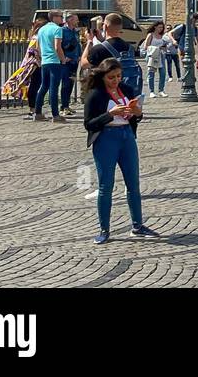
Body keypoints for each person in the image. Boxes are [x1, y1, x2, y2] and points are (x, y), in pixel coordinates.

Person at [83, 57, 159, 244]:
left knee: (133, 183)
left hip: (126, 137)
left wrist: (137, 113)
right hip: (106, 139)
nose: (115, 80)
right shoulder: (96, 94)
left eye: (118, 76)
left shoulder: (126, 89)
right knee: (106, 185)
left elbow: (134, 116)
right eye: (111, 77)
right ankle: (104, 229)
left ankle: (137, 225)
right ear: (103, 76)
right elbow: (89, 124)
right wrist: (110, 114)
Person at [34, 10, 69, 123]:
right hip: (55, 61)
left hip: (45, 61)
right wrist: (63, 59)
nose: (62, 19)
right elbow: (57, 47)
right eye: (60, 16)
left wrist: (41, 58)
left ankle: (37, 113)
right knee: (54, 88)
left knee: (43, 87)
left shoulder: (41, 29)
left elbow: (38, 48)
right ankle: (55, 115)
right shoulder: (57, 29)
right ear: (54, 17)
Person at [59, 13, 82, 114]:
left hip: (74, 60)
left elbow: (78, 44)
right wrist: (63, 57)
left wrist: (79, 55)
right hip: (66, 61)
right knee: (66, 83)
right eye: (76, 19)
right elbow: (59, 45)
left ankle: (66, 105)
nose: (77, 21)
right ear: (70, 20)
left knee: (71, 83)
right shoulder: (62, 31)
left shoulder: (75, 32)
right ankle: (64, 106)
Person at [142, 20, 168, 98]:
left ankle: (161, 90)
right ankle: (151, 91)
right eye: (159, 27)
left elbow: (165, 46)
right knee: (151, 73)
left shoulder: (162, 36)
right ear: (155, 27)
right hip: (152, 56)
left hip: (161, 56)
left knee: (163, 73)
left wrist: (164, 48)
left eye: (162, 27)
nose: (161, 29)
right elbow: (145, 46)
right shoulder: (150, 35)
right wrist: (156, 48)